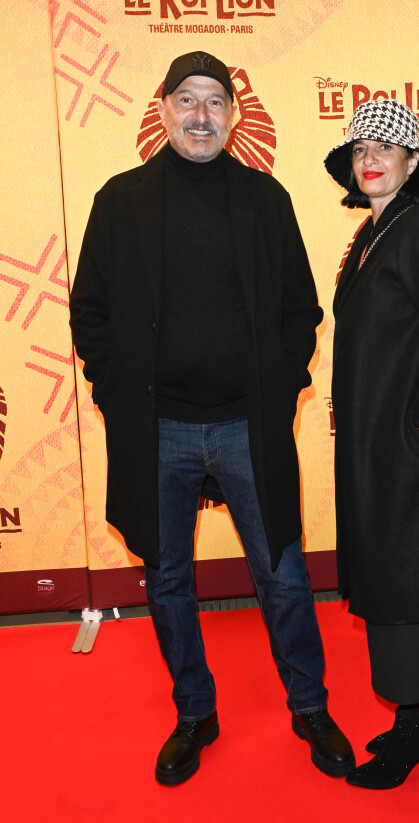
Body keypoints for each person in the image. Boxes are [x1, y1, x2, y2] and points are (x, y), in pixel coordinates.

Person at [70, 50, 354, 786]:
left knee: (284, 574)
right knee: (167, 581)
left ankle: (310, 705)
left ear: (233, 115)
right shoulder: (118, 200)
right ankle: (195, 711)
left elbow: (301, 309)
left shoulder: (266, 200)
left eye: (215, 102)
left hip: (245, 425)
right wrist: (114, 391)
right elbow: (90, 313)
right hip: (155, 429)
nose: (201, 115)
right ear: (162, 108)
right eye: (187, 100)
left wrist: (283, 384)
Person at [324, 99, 419, 790]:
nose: (371, 159)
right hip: (378, 444)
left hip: (410, 446)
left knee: (409, 578)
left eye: (387, 148)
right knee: (400, 574)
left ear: (414, 163)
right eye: (361, 148)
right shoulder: (373, 232)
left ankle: (415, 721)